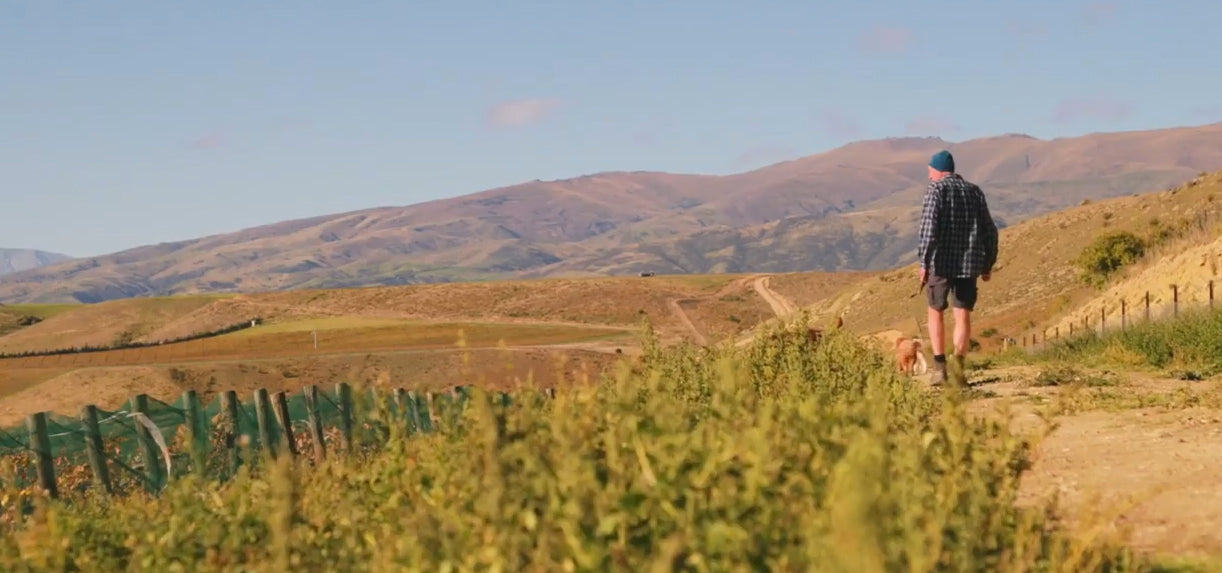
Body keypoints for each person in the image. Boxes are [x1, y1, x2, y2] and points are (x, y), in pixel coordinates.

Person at [917, 150, 999, 386]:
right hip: (970, 263)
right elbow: (989, 230)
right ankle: (959, 370)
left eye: (930, 171)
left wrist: (924, 262)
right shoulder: (974, 192)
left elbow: (928, 229)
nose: (929, 176)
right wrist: (988, 263)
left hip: (940, 263)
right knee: (962, 315)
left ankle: (940, 368)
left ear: (939, 170)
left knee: (936, 312)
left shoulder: (936, 190)